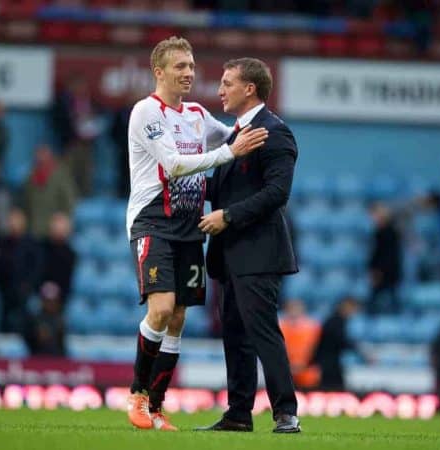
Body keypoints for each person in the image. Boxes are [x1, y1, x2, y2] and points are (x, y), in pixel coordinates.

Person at [126, 37, 267, 431]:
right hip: (153, 220)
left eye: (190, 65)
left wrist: (264, 128)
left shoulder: (197, 115)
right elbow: (172, 164)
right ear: (159, 72)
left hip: (190, 227)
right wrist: (230, 153)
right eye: (179, 67)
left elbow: (233, 135)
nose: (189, 73)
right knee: (161, 307)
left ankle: (155, 406)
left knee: (179, 316)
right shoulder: (146, 113)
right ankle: (136, 395)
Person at [196, 58, 300, 434]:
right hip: (230, 253)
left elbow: (277, 193)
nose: (220, 90)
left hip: (259, 251)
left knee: (262, 331)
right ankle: (239, 413)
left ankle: (286, 413)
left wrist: (227, 216)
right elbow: (225, 187)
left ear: (250, 89)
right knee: (236, 335)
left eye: (227, 83)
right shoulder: (233, 135)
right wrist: (182, 185)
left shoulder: (275, 132)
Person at [312, 296, 361, 391]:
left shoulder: (334, 320)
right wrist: (357, 349)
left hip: (330, 360)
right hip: (328, 362)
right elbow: (340, 341)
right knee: (333, 388)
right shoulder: (335, 322)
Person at [367, 203, 402, 314]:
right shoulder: (387, 231)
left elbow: (384, 254)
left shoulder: (387, 233)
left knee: (383, 298)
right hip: (388, 271)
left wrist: (377, 270)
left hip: (386, 271)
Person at [279, 299, 321, 389]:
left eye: (297, 309)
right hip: (285, 369)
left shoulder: (312, 327)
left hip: (307, 369)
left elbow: (315, 349)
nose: (294, 312)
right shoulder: (281, 327)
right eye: (291, 309)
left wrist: (303, 365)